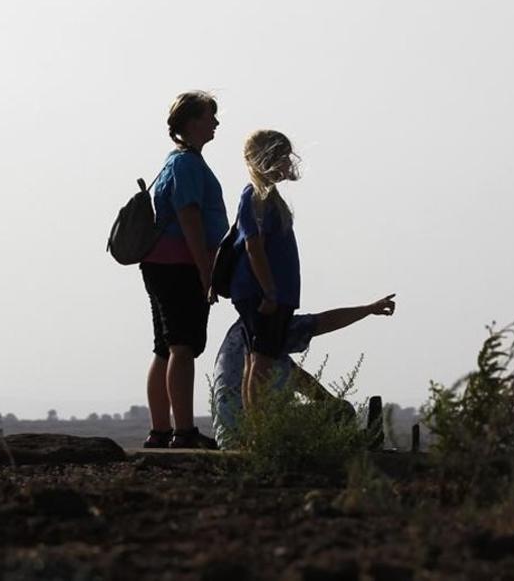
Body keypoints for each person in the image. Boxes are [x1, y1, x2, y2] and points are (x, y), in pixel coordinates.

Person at [140, 92, 230, 449]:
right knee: (182, 346)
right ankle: (183, 431)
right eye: (211, 116)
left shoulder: (175, 162)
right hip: (180, 264)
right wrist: (206, 271)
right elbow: (189, 218)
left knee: (165, 347)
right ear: (193, 122)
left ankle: (161, 429)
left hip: (162, 263)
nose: (216, 124)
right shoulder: (187, 165)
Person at [210, 295, 397, 449]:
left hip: (227, 438)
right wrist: (368, 309)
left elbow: (300, 379)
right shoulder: (269, 326)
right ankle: (354, 444)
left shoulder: (246, 336)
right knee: (341, 411)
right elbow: (325, 321)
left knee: (335, 411)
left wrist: (329, 404)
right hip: (253, 436)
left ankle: (351, 441)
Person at [229, 129, 303, 412]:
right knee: (261, 360)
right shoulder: (254, 196)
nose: (287, 163)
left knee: (258, 358)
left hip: (273, 292)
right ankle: (259, 432)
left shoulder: (270, 197)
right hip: (262, 293)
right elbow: (253, 246)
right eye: (283, 157)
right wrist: (269, 291)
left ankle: (257, 429)